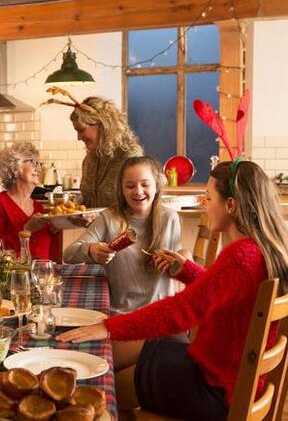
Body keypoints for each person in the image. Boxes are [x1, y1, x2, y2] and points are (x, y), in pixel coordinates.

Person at [56, 160, 288, 421]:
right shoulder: (259, 250)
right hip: (218, 372)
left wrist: (110, 326)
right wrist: (186, 270)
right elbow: (219, 292)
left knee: (107, 388)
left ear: (231, 205)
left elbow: (183, 309)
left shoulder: (240, 256)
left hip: (213, 388)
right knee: (112, 365)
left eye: (209, 198)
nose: (204, 203)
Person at [63, 156, 182, 314]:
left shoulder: (170, 218)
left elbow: (179, 266)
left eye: (145, 184)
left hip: (160, 314)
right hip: (121, 314)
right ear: (121, 189)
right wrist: (91, 250)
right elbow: (68, 255)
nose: (138, 191)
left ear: (157, 186)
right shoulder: (108, 218)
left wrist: (180, 261)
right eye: (130, 186)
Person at [0, 142, 60, 261]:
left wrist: (55, 230)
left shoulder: (39, 207)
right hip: (13, 276)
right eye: (31, 162)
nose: (38, 168)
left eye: (38, 163)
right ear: (14, 169)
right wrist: (26, 229)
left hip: (42, 275)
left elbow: (51, 254)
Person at [70, 96, 143, 208]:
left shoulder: (130, 158)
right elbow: (87, 200)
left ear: (103, 125)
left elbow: (137, 207)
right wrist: (74, 207)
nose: (79, 138)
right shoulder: (90, 159)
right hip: (93, 226)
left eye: (81, 130)